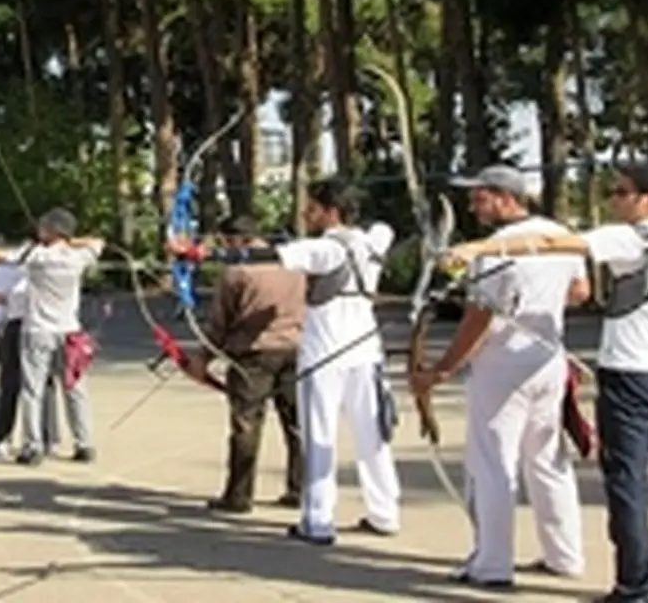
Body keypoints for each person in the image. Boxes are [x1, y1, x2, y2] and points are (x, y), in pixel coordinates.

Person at [443, 163, 648, 603]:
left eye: (621, 192)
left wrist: (479, 248)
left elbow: (553, 243)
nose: (612, 200)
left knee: (627, 482)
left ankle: (635, 587)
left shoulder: (629, 238)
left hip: (630, 376)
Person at [172, 177, 401, 545]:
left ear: (330, 212)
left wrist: (201, 255)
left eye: (312, 208)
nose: (305, 213)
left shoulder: (326, 248)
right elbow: (384, 228)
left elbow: (264, 256)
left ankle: (318, 520)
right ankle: (385, 512)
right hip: (365, 351)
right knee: (371, 434)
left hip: (327, 354)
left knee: (319, 435)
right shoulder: (373, 241)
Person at [410, 165, 587, 589]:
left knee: (492, 464)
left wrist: (441, 370)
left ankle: (491, 564)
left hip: (503, 366)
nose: (474, 204)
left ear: (508, 198)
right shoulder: (560, 235)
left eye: (482, 195)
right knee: (547, 460)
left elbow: (479, 318)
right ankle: (565, 555)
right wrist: (540, 300)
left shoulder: (491, 249)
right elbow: (581, 292)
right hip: (547, 358)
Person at [0, 207, 103, 465]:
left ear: (51, 231)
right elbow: (97, 242)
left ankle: (33, 446)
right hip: (69, 330)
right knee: (74, 387)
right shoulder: (80, 256)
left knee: (32, 390)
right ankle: (85, 444)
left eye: (44, 227)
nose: (39, 230)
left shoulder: (36, 256)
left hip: (38, 330)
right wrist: (69, 240)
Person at [199, 214, 305, 514]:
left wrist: (203, 359)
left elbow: (220, 323)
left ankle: (239, 495)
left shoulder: (237, 271)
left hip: (253, 355)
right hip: (295, 349)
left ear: (237, 240)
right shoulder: (292, 264)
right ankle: (301, 489)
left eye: (225, 241)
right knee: (296, 423)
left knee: (246, 424)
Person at [0, 243, 61, 459]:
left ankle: (5, 439)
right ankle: (46, 438)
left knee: (12, 384)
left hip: (25, 327)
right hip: (45, 328)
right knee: (41, 384)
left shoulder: (8, 271)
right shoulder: (48, 267)